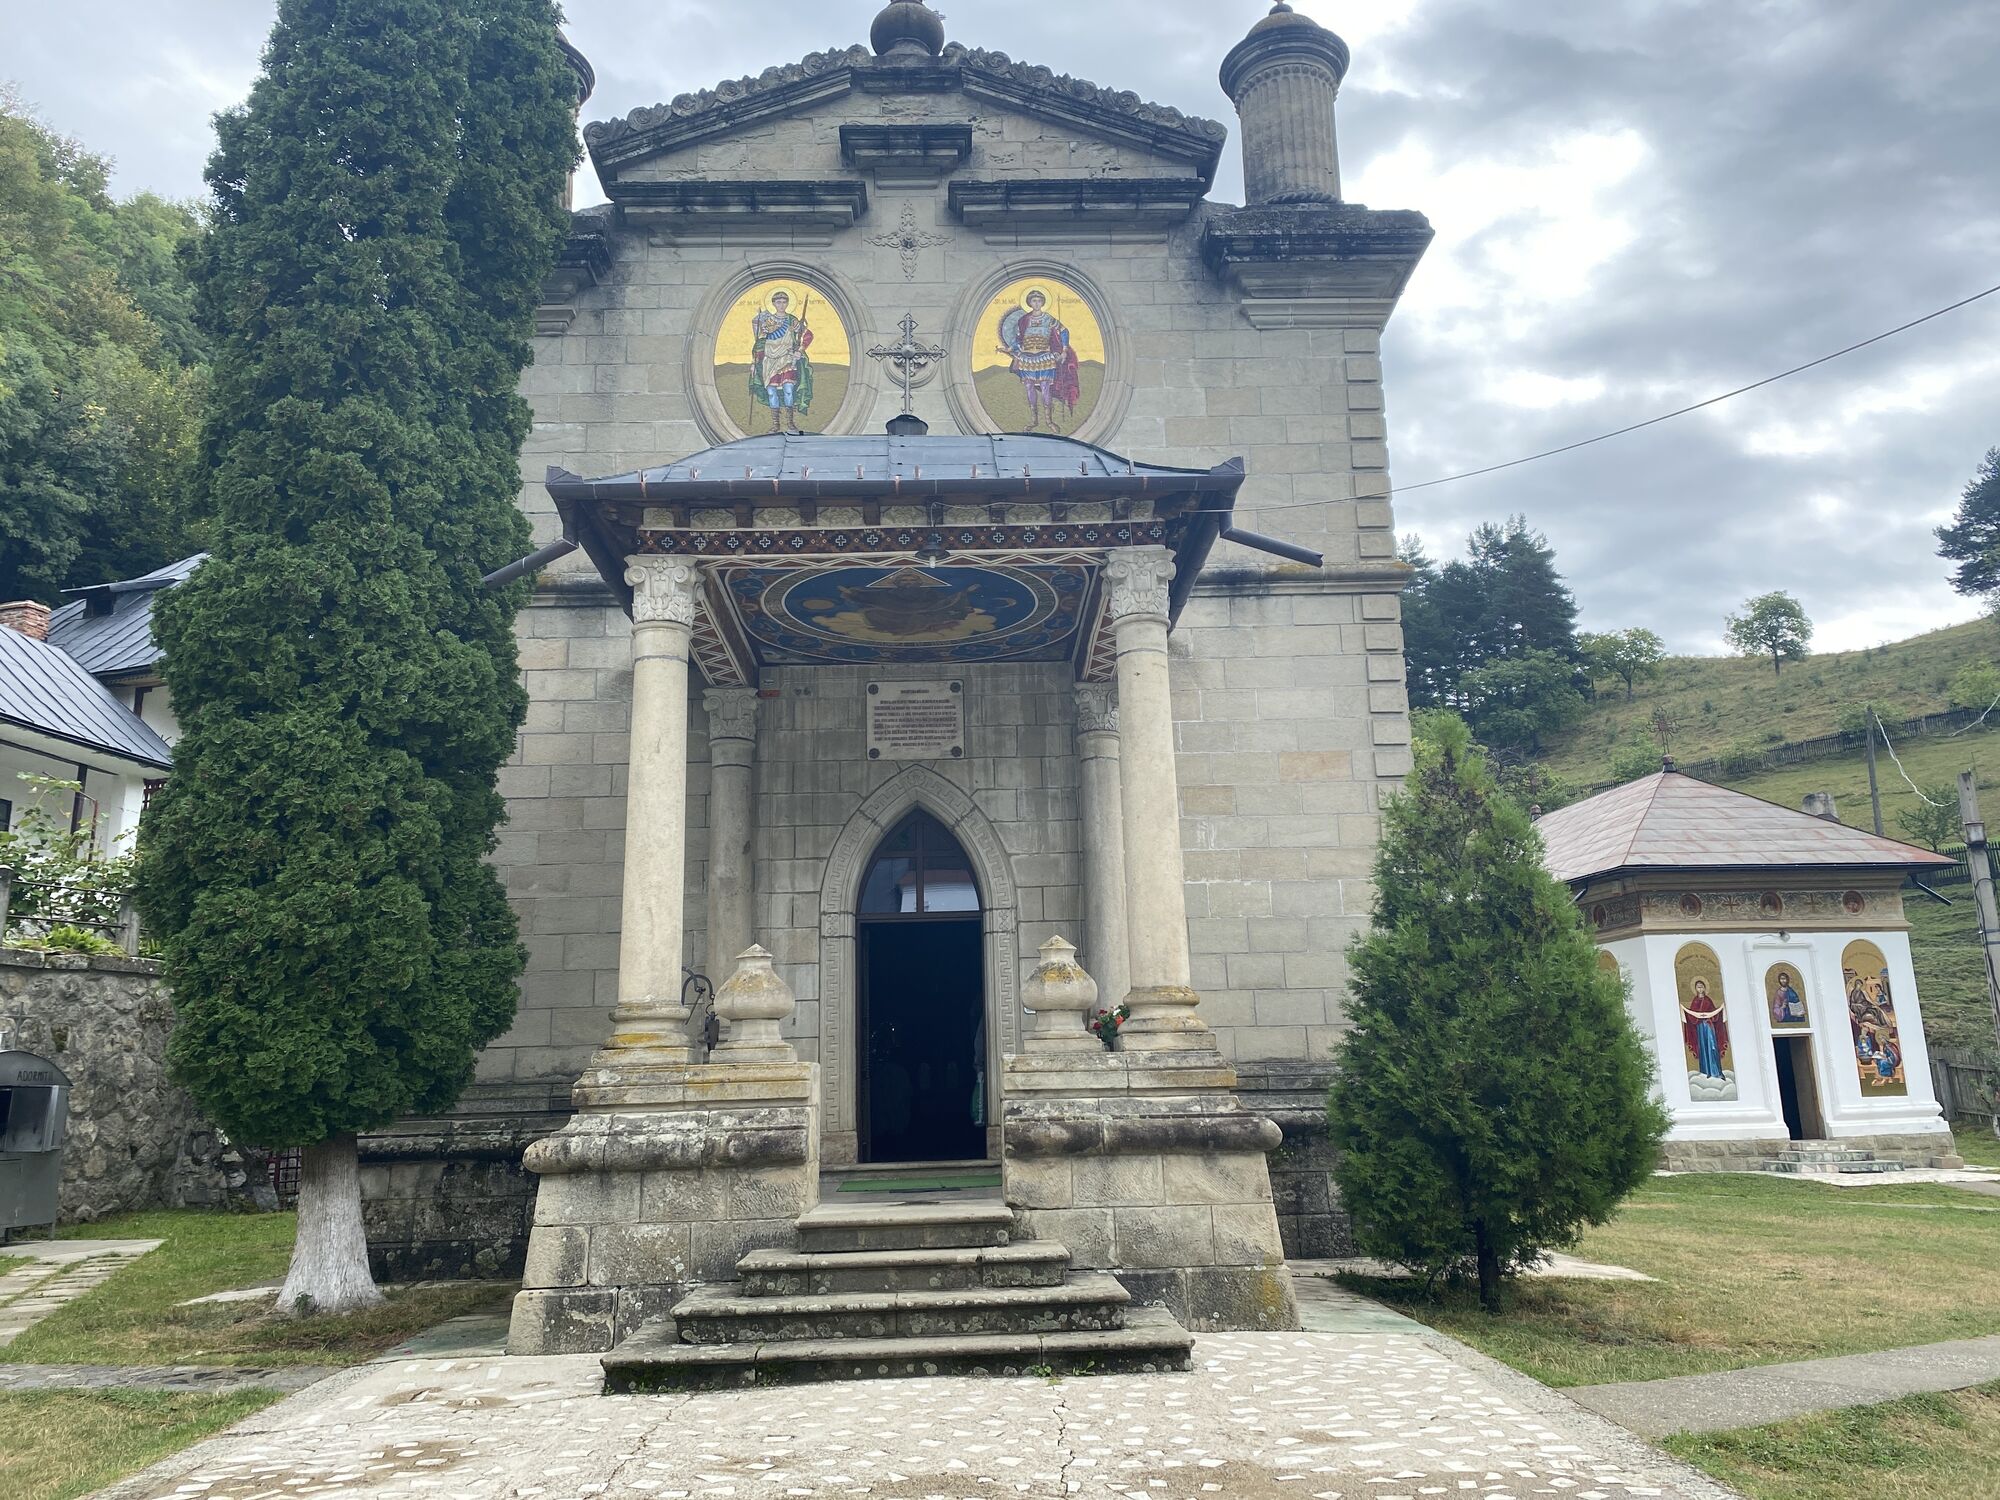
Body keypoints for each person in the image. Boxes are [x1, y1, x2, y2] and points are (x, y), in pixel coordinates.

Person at [997, 288, 1082, 433]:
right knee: (1029, 387)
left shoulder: (1048, 319)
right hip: (1027, 359)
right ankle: (1034, 421)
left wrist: (1064, 350)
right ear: (1029, 303)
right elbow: (1019, 339)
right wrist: (1011, 348)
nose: (1036, 303)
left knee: (1045, 388)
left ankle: (1049, 421)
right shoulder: (1024, 320)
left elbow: (1064, 331)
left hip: (1044, 358)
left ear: (1043, 302)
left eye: (1039, 301)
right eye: (1033, 301)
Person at [750, 291, 814, 434]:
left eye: (784, 302)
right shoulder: (767, 321)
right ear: (773, 303)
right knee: (771, 392)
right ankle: (776, 424)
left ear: (787, 304)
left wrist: (800, 350)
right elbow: (759, 343)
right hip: (769, 361)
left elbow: (808, 335)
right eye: (778, 302)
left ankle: (790, 423)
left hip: (787, 359)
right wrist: (754, 362)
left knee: (788, 389)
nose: (781, 305)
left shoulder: (792, 321)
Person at [1681, 978, 1729, 1081]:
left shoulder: (1708, 1000)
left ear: (1704, 988)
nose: (1700, 989)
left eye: (1701, 987)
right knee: (1703, 1048)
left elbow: (1714, 1014)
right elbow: (1692, 1016)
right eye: (1698, 987)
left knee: (1712, 1047)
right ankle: (1706, 1071)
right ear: (1695, 989)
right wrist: (1686, 1010)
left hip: (1709, 1027)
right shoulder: (1695, 1001)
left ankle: (1716, 1072)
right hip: (1700, 1029)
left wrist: (1716, 1011)